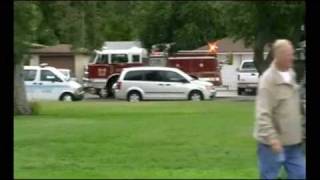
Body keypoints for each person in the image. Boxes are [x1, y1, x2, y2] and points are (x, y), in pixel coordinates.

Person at [253, 39, 306, 179]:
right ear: (279, 55)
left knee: (301, 175)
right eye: (289, 54)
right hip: (272, 146)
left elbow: (295, 105)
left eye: (292, 54)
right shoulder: (268, 80)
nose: (292, 57)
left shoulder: (291, 74)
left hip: (294, 143)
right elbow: (263, 113)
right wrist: (273, 139)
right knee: (269, 176)